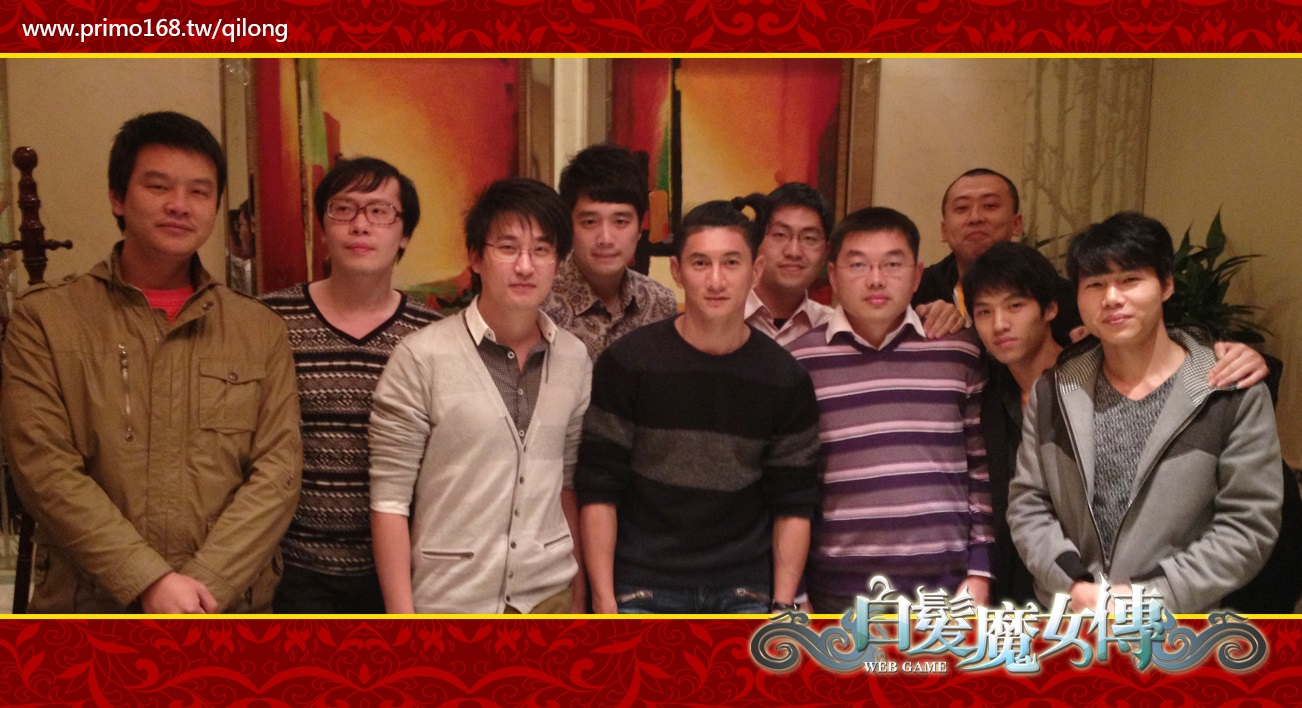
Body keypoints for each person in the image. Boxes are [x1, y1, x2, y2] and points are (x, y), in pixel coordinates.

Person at [0, 111, 302, 613]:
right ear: (118, 197)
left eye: (199, 191)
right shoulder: (47, 320)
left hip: (225, 608)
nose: (179, 205)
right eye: (158, 186)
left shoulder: (258, 328)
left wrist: (202, 587)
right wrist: (148, 580)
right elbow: (44, 469)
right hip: (88, 606)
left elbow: (278, 473)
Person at [1008, 212, 1282, 613]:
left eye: (1130, 279)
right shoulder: (1055, 391)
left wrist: (1149, 597)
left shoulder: (1228, 392)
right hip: (1075, 618)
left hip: (1178, 625)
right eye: (1095, 284)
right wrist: (1074, 584)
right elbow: (1028, 504)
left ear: (1166, 284)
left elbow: (1247, 525)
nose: (1111, 298)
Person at [577, 198, 821, 614]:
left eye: (731, 263)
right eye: (700, 263)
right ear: (677, 271)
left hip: (745, 589)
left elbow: (794, 502)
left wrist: (783, 604)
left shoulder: (785, 378)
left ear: (755, 270)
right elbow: (599, 488)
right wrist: (603, 599)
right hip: (643, 587)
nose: (716, 280)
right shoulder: (628, 363)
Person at [368, 178, 590, 614]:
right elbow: (389, 501)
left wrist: (579, 595)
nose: (525, 266)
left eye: (542, 250)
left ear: (558, 262)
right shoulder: (421, 357)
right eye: (508, 247)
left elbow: (566, 485)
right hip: (450, 603)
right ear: (475, 257)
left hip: (549, 600)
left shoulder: (574, 358)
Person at [787, 206, 991, 614]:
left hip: (949, 589)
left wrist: (981, 572)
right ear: (833, 275)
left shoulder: (959, 351)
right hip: (837, 590)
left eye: (893, 264)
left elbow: (980, 470)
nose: (876, 279)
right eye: (858, 264)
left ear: (917, 275)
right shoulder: (799, 362)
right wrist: (796, 590)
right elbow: (790, 487)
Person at [262, 157, 442, 614]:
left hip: (402, 572)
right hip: (291, 569)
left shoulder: (433, 336)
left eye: (379, 211)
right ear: (324, 226)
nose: (360, 225)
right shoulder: (269, 321)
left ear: (404, 234)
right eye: (344, 209)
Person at [913, 168, 1080, 344]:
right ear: (944, 230)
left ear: (1017, 224)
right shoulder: (916, 291)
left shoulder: (1060, 295)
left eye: (990, 205)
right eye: (962, 208)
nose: (975, 218)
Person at [543, 144, 678, 360]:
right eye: (590, 222)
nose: (605, 239)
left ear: (640, 227)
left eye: (620, 221)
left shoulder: (660, 303)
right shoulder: (541, 303)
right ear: (568, 225)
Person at [745, 182, 834, 346]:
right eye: (780, 235)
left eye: (809, 238)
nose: (794, 252)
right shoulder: (722, 318)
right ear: (755, 242)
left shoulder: (834, 330)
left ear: (825, 253)